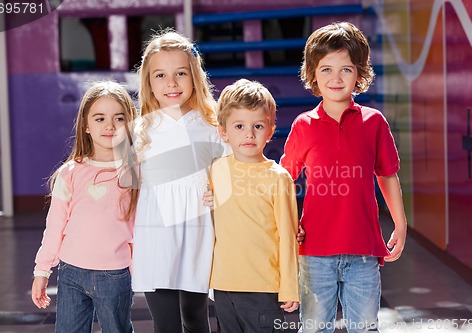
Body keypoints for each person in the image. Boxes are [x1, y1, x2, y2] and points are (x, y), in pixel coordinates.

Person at [280, 22, 408, 333]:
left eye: (346, 70)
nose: (335, 78)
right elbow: (282, 180)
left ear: (360, 74)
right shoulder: (303, 125)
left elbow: (387, 174)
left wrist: (400, 224)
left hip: (364, 249)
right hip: (314, 252)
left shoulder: (373, 122)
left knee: (364, 328)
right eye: (326, 69)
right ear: (313, 73)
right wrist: (288, 222)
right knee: (313, 328)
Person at [131, 29, 227, 333]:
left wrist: (220, 192)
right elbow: (124, 188)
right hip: (156, 238)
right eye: (160, 75)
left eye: (180, 73)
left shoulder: (212, 126)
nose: (171, 83)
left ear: (195, 76)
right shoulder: (139, 130)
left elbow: (229, 175)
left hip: (197, 235)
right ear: (148, 81)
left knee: (197, 318)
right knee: (166, 323)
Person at [31, 80, 139, 333]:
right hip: (71, 273)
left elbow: (140, 228)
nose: (110, 125)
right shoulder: (70, 172)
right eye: (100, 118)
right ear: (86, 126)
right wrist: (42, 270)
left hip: (116, 275)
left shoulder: (134, 173)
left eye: (119, 118)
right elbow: (55, 226)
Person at [209, 79, 300, 332]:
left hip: (264, 287)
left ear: (270, 131)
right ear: (223, 131)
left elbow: (288, 237)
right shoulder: (216, 170)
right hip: (224, 285)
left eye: (258, 126)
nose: (249, 134)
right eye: (239, 126)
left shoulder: (278, 177)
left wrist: (290, 286)